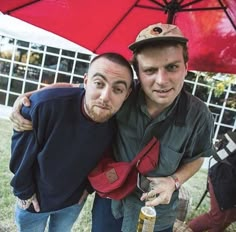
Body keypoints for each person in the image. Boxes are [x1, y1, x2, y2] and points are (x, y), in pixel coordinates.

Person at [10, 23, 215, 232]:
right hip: (110, 203)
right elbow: (84, 89)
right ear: (138, 74)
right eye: (150, 70)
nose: (161, 81)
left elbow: (197, 157)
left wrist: (174, 181)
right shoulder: (121, 94)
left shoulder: (199, 116)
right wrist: (30, 98)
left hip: (156, 214)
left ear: (186, 67)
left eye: (172, 67)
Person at [9, 52, 133, 232]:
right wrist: (23, 191)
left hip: (72, 202)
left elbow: (105, 157)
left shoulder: (118, 122)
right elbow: (20, 153)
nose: (105, 96)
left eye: (118, 89)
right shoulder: (44, 106)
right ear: (85, 82)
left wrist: (88, 189)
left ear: (127, 94)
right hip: (35, 200)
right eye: (99, 83)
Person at [188, 131, 236, 232]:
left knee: (231, 216)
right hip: (223, 178)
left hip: (229, 180)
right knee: (217, 218)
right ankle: (183, 230)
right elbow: (218, 156)